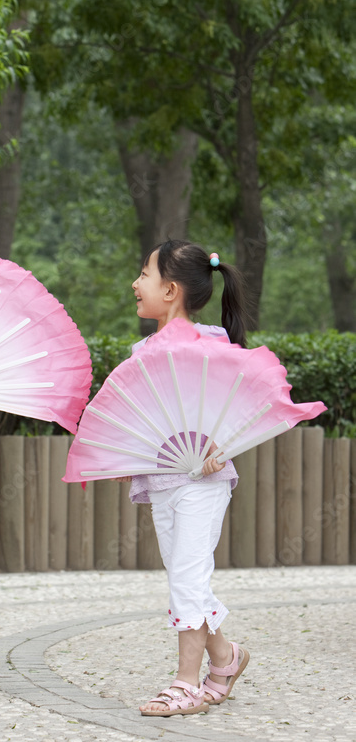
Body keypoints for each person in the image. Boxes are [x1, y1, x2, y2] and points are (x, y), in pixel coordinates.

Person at [126, 240, 250, 716]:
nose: (136, 284)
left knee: (186, 576)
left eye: (144, 275)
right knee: (186, 577)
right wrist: (125, 458)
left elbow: (240, 405)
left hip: (204, 481)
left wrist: (223, 445)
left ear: (171, 289)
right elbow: (143, 418)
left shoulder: (212, 344)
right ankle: (226, 657)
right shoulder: (141, 351)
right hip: (162, 482)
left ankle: (185, 682)